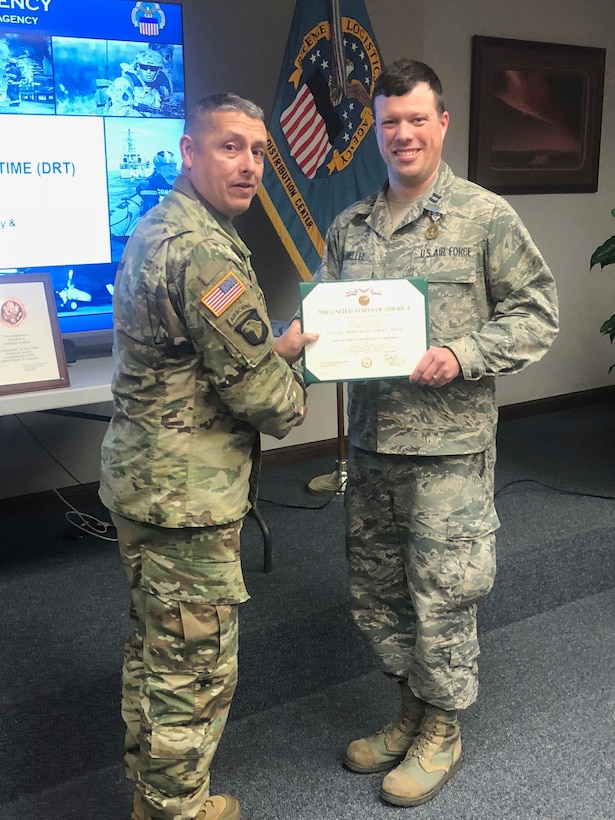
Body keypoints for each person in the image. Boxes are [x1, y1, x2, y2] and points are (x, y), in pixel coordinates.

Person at [313, 59, 559, 807]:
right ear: (376, 132)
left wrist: (463, 353)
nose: (402, 134)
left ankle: (443, 728)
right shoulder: (349, 228)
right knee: (379, 594)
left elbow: (536, 313)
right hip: (372, 447)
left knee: (443, 592)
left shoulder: (485, 217)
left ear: (441, 123)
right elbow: (329, 322)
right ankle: (410, 709)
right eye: (389, 122)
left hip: (448, 453)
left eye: (417, 119)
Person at [99, 92, 317, 820]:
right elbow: (266, 399)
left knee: (155, 650)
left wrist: (268, 347)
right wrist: (294, 381)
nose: (249, 164)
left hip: (144, 481)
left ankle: (151, 793)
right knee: (192, 669)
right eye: (230, 146)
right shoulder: (206, 250)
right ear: (189, 152)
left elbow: (199, 354)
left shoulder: (161, 225)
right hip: (186, 499)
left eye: (258, 151)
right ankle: (174, 811)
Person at [104, 49, 176, 117]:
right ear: (137, 67)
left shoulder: (161, 86)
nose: (148, 71)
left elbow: (168, 103)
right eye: (144, 67)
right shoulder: (124, 83)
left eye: (153, 68)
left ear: (158, 70)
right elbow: (119, 112)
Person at [136, 149, 179, 215]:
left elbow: (139, 190)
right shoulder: (185, 184)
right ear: (174, 165)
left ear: (155, 164)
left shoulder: (144, 185)